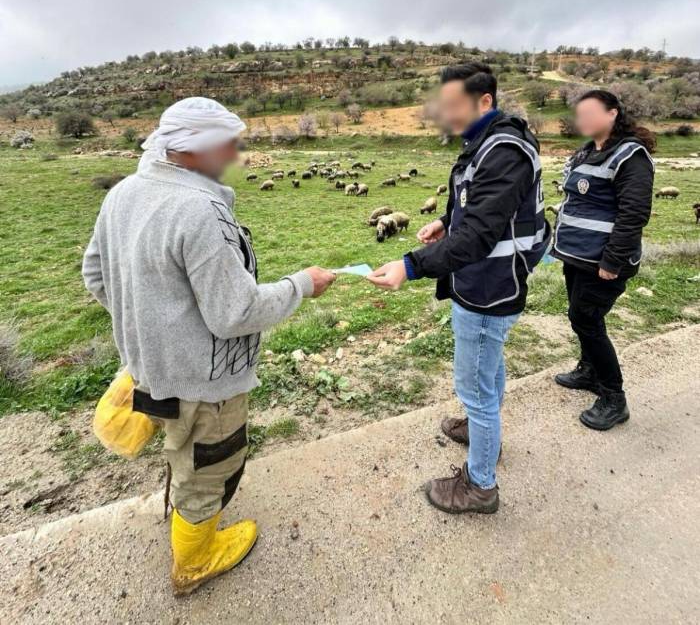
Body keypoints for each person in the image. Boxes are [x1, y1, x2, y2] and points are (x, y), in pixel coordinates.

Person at [82, 97, 335, 595]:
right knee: (208, 469)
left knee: (181, 448)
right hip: (205, 382)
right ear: (196, 147)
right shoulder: (199, 209)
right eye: (229, 144)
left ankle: (183, 518)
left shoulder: (124, 193)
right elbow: (235, 313)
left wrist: (151, 330)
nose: (237, 154)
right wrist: (302, 284)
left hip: (147, 367)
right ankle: (194, 562)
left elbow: (95, 274)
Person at [368, 64, 549, 515]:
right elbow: (479, 208)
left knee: (476, 388)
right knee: (490, 367)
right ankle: (482, 433)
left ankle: (480, 486)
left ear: (484, 101)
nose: (446, 114)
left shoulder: (503, 151)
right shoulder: (485, 145)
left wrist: (410, 266)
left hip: (490, 287)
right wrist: (445, 221)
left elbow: (480, 235)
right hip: (483, 281)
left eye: (453, 105)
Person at [552, 89, 655, 430]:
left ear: (612, 113)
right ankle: (589, 370)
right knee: (582, 316)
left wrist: (612, 261)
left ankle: (614, 397)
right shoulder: (587, 152)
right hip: (577, 255)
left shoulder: (630, 156)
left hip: (603, 260)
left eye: (590, 112)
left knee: (586, 319)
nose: (581, 119)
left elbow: (633, 213)